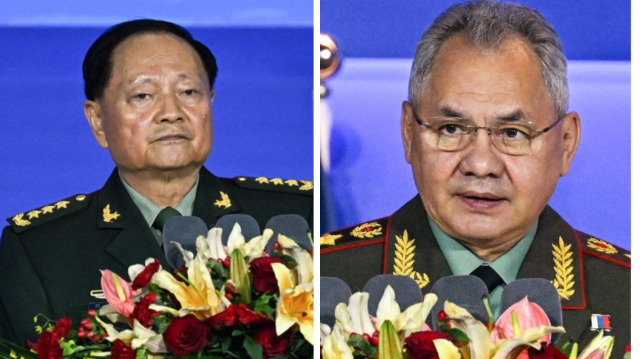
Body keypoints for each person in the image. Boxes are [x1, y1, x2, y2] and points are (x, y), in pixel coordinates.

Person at [320, 1, 629, 356]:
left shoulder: (626, 294)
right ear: (409, 133)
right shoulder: (324, 282)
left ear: (566, 144)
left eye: (512, 133)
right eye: (451, 128)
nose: (481, 164)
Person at [0, 19, 312, 345]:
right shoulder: (41, 250)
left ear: (210, 103)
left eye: (189, 92)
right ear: (98, 121)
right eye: (143, 95)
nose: (171, 112)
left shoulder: (294, 215)